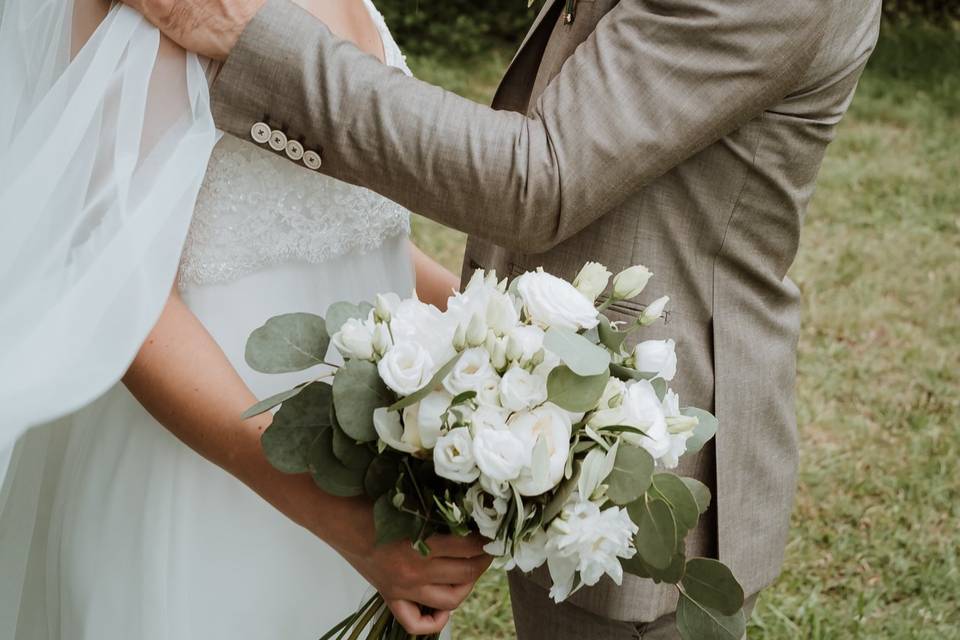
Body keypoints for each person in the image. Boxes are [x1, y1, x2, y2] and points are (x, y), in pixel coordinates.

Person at [117, 0, 884, 636]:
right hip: (492, 424)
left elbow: (535, 178)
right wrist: (476, 348)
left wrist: (254, 42)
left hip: (645, 452)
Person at [0, 1, 487, 638]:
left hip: (373, 466)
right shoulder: (166, 12)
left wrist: (501, 334)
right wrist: (338, 517)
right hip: (213, 480)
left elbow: (351, 224)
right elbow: (127, 297)